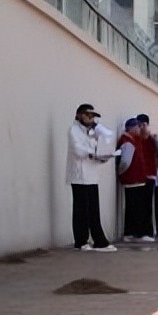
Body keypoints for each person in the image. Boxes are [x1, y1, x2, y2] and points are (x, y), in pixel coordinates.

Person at [66, 104, 117, 252]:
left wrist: (102, 155)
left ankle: (98, 239)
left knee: (94, 209)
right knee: (81, 209)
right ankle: (81, 241)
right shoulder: (74, 130)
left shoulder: (92, 132)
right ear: (80, 115)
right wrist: (92, 153)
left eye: (92, 116)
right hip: (79, 175)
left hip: (91, 175)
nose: (91, 119)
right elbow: (78, 150)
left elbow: (97, 148)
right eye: (88, 115)